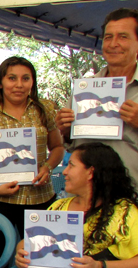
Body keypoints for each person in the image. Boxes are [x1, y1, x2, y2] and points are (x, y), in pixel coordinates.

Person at [0, 56, 65, 265]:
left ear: (32, 82)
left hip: (40, 198)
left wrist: (48, 166)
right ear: (1, 83)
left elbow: (57, 148)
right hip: (0, 200)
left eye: (25, 78)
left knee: (42, 256)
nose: (19, 84)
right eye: (12, 78)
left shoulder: (43, 109)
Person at [12, 142, 138, 268]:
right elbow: (29, 241)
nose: (65, 171)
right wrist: (21, 252)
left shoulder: (125, 212)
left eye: (71, 165)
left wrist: (99, 267)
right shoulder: (59, 206)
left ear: (91, 172)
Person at [55, 8, 138, 191]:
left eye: (123, 37)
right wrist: (65, 129)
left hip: (131, 197)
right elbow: (70, 145)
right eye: (108, 37)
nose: (113, 43)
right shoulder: (84, 88)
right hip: (86, 198)